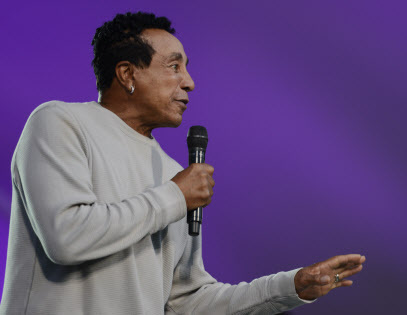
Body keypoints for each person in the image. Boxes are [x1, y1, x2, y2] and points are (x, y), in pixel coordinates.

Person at [0, 12, 366, 314]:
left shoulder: (173, 172)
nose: (189, 82)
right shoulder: (60, 122)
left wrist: (292, 286)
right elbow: (66, 237)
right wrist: (175, 197)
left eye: (186, 69)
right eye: (174, 67)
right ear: (127, 74)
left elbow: (187, 300)